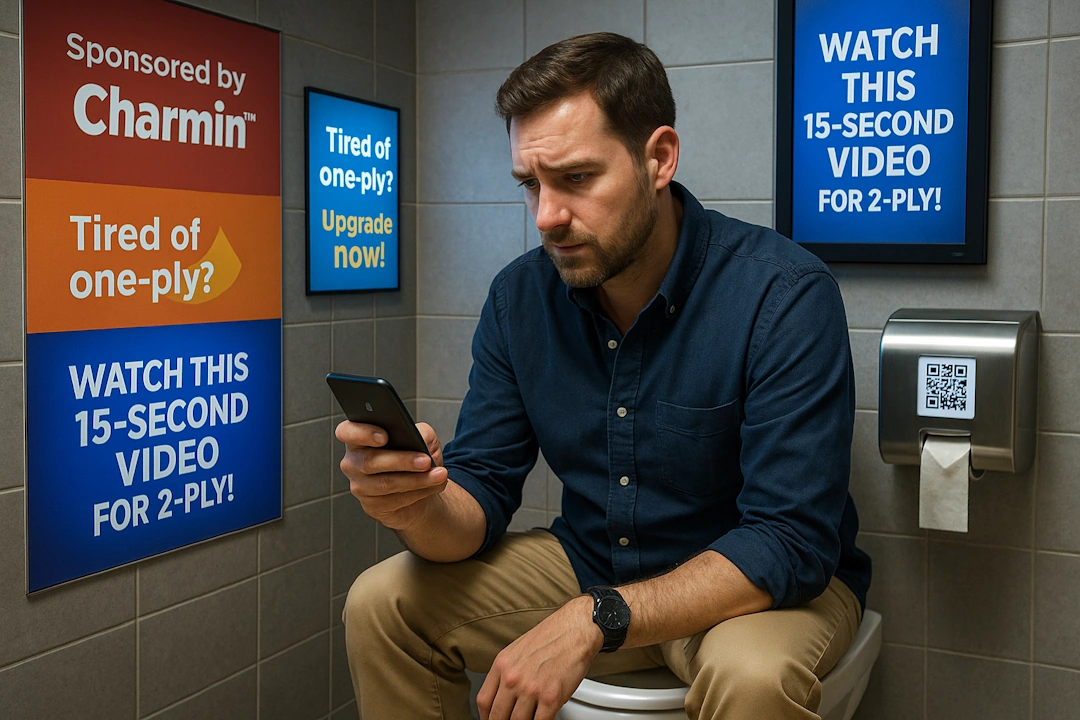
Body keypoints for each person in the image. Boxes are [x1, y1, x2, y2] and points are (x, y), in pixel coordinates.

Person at [338, 32, 872, 720]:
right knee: (381, 604)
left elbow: (789, 540)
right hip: (592, 567)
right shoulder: (518, 299)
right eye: (531, 184)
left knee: (752, 677)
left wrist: (596, 618)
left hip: (751, 592)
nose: (547, 216)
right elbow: (480, 498)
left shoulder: (782, 294)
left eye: (577, 178)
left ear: (659, 158)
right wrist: (419, 506)